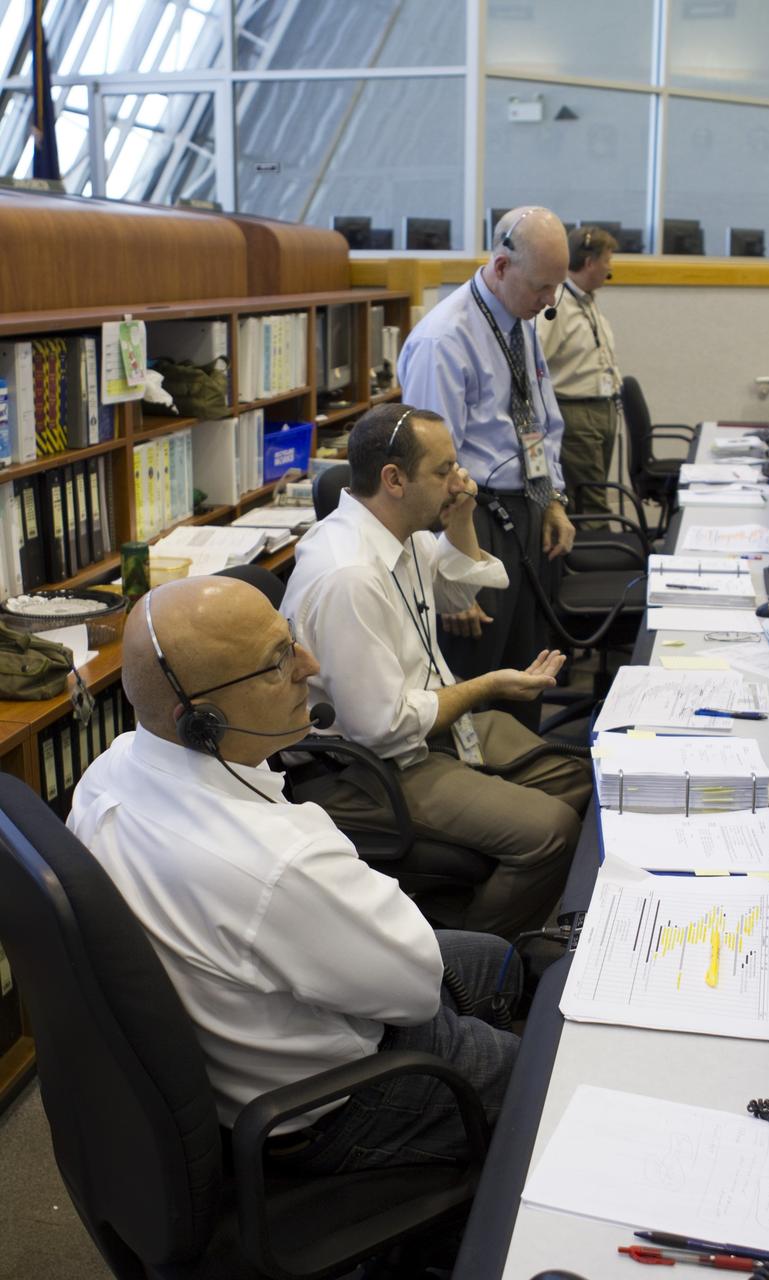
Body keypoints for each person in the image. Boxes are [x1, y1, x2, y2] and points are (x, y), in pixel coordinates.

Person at [67, 574, 523, 1174]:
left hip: (238, 1057)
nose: (310, 665)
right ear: (198, 719)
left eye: (292, 640)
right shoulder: (277, 861)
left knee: (501, 961)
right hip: (332, 1106)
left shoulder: (109, 770)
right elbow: (414, 994)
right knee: (542, 1076)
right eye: (278, 661)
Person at [282, 403, 592, 940]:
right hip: (364, 766)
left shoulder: (399, 531)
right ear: (394, 479)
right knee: (554, 830)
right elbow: (384, 726)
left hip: (424, 729)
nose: (459, 481)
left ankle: (479, 888)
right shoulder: (348, 575)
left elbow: (458, 588)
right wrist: (488, 686)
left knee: (583, 777)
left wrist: (462, 515)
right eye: (444, 470)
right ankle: (465, 960)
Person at [397, 205, 574, 731]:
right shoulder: (444, 340)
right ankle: (482, 792)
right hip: (472, 522)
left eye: (556, 288)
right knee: (479, 680)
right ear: (500, 267)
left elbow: (537, 420)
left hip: (526, 511)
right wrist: (449, 571)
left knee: (527, 670)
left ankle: (527, 776)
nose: (550, 303)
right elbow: (430, 474)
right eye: (542, 287)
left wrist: (553, 499)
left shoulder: (518, 322)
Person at [538, 225, 622, 522]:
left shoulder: (586, 300)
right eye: (607, 261)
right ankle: (599, 562)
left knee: (594, 490)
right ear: (589, 263)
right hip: (576, 413)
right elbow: (537, 365)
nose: (610, 269)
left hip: (601, 409)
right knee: (591, 501)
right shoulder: (557, 306)